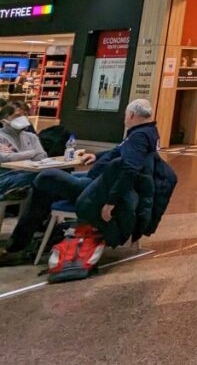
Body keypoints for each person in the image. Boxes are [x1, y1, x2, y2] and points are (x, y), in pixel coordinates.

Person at [0, 98, 159, 262]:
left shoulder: (138, 137)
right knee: (45, 186)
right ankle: (33, 236)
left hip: (97, 187)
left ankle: (21, 241)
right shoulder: (143, 134)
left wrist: (111, 201)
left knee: (46, 177)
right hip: (99, 179)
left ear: (131, 115)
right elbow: (117, 152)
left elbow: (129, 169)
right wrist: (96, 156)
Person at [0, 102, 47, 199]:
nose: (23, 118)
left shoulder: (31, 137)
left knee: (51, 176)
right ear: (4, 120)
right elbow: (5, 158)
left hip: (27, 174)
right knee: (44, 177)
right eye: (17, 116)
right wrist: (33, 152)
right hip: (5, 177)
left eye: (25, 115)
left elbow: (42, 157)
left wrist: (18, 156)